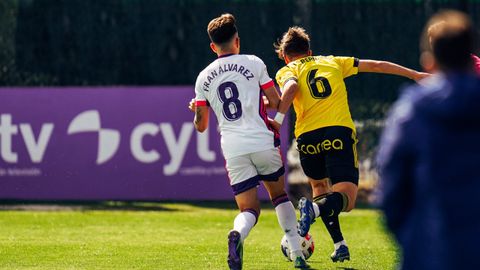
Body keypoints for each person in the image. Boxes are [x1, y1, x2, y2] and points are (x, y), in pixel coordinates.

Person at [270, 26, 429, 263]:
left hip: (307, 138)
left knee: (320, 190)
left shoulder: (286, 70)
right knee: (347, 199)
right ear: (310, 50)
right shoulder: (333, 62)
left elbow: (290, 90)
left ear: (284, 55)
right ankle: (313, 212)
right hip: (337, 131)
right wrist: (415, 75)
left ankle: (339, 244)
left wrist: (278, 116)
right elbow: (377, 65)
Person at [189, 14, 309, 269]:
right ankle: (297, 254)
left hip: (233, 149)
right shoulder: (253, 62)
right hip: (262, 141)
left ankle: (238, 235)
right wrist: (256, 101)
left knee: (248, 210)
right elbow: (275, 102)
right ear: (237, 40)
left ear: (213, 46)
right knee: (279, 196)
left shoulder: (203, 77)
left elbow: (201, 126)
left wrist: (199, 109)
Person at [377, 10, 480, 270]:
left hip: (430, 244)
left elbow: (391, 188)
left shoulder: (412, 111)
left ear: (429, 60)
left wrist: (414, 236)